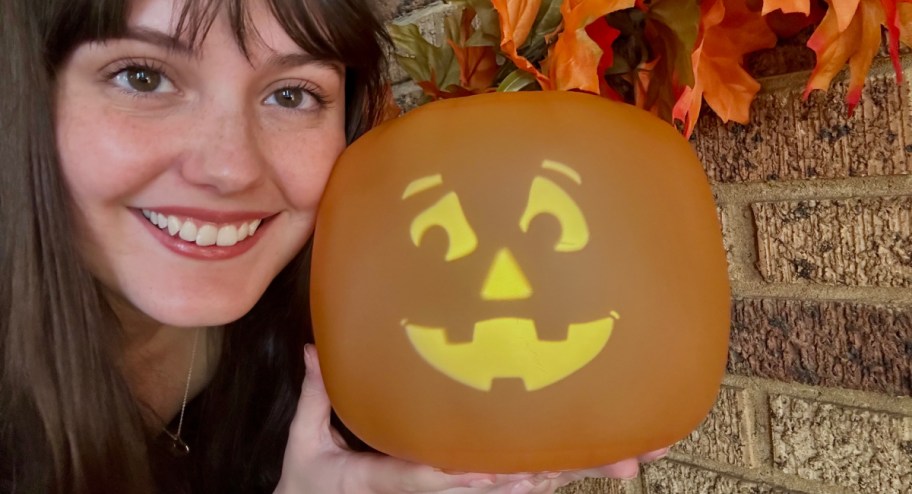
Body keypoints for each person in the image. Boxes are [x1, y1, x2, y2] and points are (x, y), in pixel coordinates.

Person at [0, 0, 669, 492]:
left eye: (292, 94)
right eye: (143, 77)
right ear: (30, 96)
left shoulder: (354, 367)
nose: (232, 167)